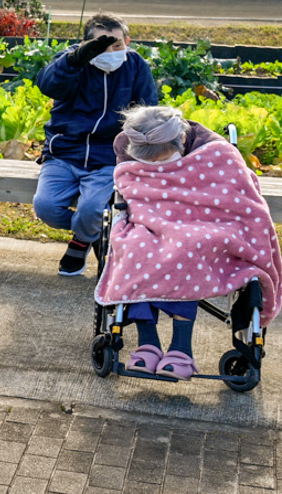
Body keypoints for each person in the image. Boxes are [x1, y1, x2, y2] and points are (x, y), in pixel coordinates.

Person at [97, 105, 282, 379]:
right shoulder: (126, 145)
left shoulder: (217, 152)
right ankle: (148, 344)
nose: (160, 167)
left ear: (181, 141)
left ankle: (181, 349)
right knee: (134, 247)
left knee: (187, 247)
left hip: (206, 226)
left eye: (164, 160)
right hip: (149, 221)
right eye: (152, 163)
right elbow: (130, 190)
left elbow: (242, 201)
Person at [34, 13, 159, 277]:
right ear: (85, 44)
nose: (110, 52)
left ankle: (81, 242)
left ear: (127, 42)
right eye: (101, 46)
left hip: (108, 157)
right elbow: (47, 85)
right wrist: (75, 60)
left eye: (117, 45)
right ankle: (93, 233)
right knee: (45, 208)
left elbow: (148, 111)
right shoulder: (72, 61)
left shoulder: (136, 65)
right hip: (64, 153)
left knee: (91, 210)